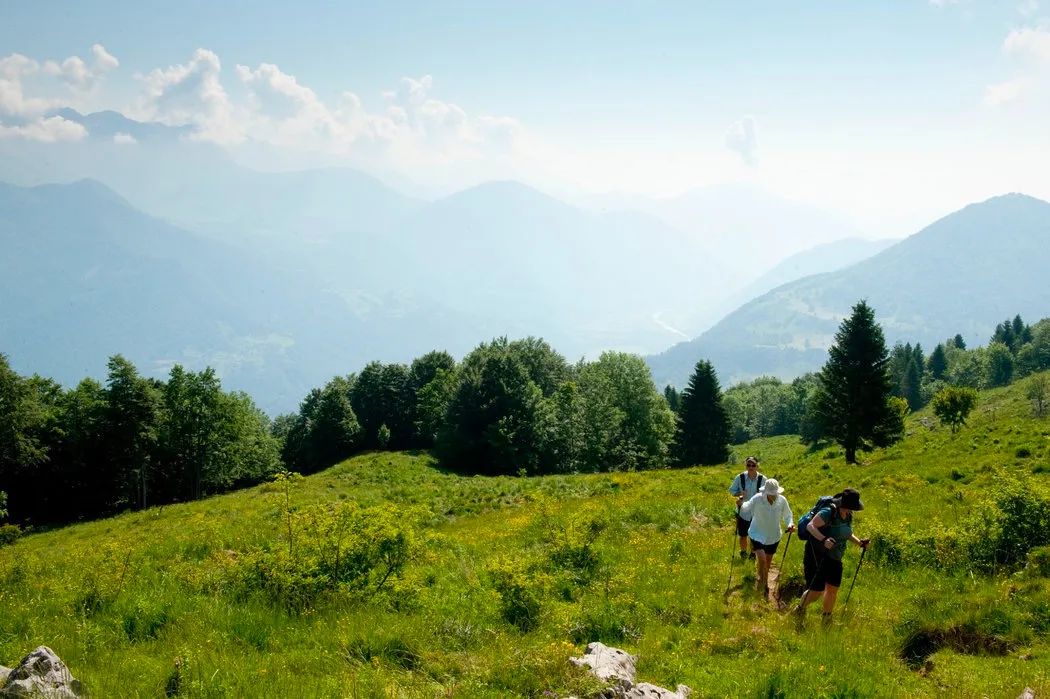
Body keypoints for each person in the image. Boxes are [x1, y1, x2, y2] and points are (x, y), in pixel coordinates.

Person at [796, 488, 870, 621]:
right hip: (818, 555)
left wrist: (860, 543)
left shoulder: (848, 515)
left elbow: (847, 533)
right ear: (844, 504)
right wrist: (824, 539)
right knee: (816, 591)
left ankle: (826, 619)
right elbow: (810, 526)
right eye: (851, 507)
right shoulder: (828, 512)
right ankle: (800, 609)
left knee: (833, 589)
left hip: (835, 557)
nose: (852, 510)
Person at [739, 478, 794, 598]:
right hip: (756, 533)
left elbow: (788, 515)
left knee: (767, 562)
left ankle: (762, 577)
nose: (774, 496)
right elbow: (746, 508)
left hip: (773, 536)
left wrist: (790, 524)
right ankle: (764, 585)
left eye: (775, 494)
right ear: (766, 492)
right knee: (762, 559)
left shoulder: (782, 500)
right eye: (771, 494)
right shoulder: (758, 498)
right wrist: (741, 503)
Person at [728, 456, 765, 559]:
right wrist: (740, 493)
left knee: (755, 535)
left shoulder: (763, 479)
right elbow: (731, 490)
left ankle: (753, 553)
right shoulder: (740, 477)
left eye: (753, 465)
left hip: (757, 512)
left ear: (757, 466)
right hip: (742, 512)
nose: (751, 467)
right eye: (748, 464)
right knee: (743, 534)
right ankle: (743, 552)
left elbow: (768, 494)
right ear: (746, 465)